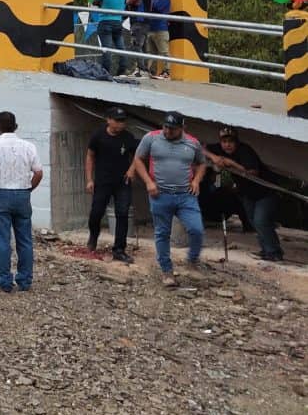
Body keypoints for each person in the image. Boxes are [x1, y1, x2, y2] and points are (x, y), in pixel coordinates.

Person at [132, 111, 207, 286]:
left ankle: (192, 260)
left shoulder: (192, 143)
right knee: (162, 233)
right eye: (165, 127)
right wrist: (148, 182)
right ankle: (167, 271)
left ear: (182, 128)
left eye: (172, 129)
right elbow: (138, 159)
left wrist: (196, 180)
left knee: (196, 229)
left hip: (185, 195)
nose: (167, 131)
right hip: (160, 194)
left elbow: (202, 163)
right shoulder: (151, 138)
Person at [0, 110, 44, 293]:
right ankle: (25, 280)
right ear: (16, 127)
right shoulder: (28, 146)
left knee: (2, 239)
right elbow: (39, 173)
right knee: (24, 239)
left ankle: (4, 280)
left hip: (0, 194)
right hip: (22, 194)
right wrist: (29, 188)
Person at [205, 128, 284, 262]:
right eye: (224, 141)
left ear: (236, 142)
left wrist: (232, 164)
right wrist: (214, 158)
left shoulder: (245, 151)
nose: (227, 145)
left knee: (261, 221)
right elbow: (198, 147)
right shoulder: (218, 149)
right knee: (254, 222)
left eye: (230, 141)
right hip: (246, 194)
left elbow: (252, 174)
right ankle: (267, 249)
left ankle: (274, 252)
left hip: (264, 192)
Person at [85, 107, 137, 263]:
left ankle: (119, 249)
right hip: (102, 181)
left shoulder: (128, 137)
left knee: (122, 213)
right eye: (117, 120)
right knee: (96, 212)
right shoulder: (98, 136)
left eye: (123, 121)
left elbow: (137, 156)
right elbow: (90, 156)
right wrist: (89, 179)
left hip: (122, 182)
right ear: (108, 120)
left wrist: (132, 169)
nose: (121, 124)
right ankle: (93, 235)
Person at [91, 0, 130, 76]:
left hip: (105, 21)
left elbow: (94, 1)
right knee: (121, 47)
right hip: (118, 21)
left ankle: (105, 72)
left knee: (106, 48)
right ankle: (122, 70)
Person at [126, 0, 151, 76]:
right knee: (141, 46)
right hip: (139, 21)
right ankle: (141, 69)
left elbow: (130, 0)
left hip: (140, 21)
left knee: (137, 45)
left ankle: (142, 70)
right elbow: (133, 1)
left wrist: (130, 0)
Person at [145, 0, 172, 79]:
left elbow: (158, 8)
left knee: (164, 51)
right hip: (150, 27)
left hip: (161, 28)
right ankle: (150, 70)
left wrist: (149, 4)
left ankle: (166, 72)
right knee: (150, 52)